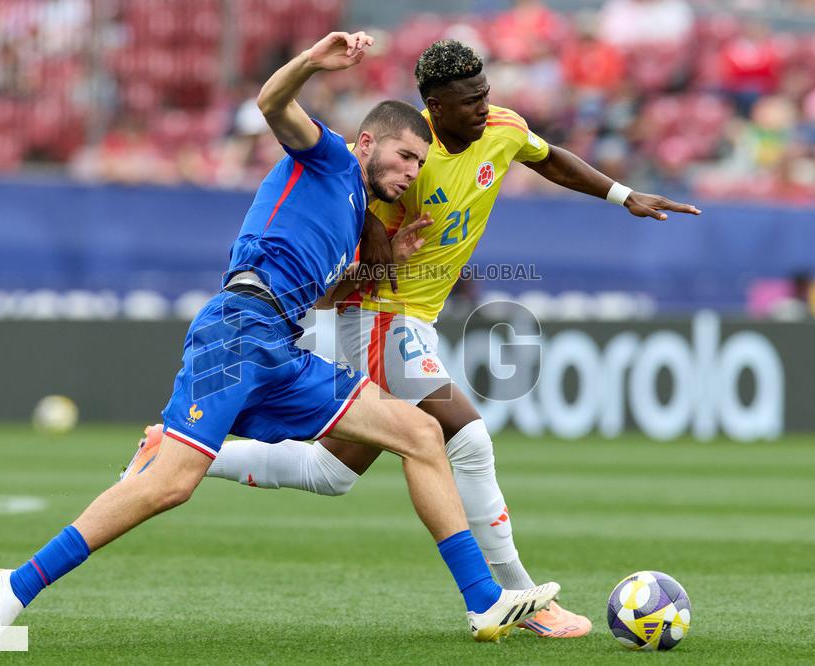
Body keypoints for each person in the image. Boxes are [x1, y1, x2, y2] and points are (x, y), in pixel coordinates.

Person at [0, 32, 558, 644]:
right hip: (236, 332)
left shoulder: (356, 215)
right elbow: (271, 104)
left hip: (281, 347)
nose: (413, 172)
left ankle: (484, 601)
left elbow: (325, 297)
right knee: (169, 487)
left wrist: (389, 262)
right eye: (405, 157)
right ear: (367, 142)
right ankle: (14, 585)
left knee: (419, 432)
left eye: (419, 163)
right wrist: (311, 63)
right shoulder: (326, 157)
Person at [186, 39, 701, 639]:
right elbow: (358, 255)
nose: (485, 106)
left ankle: (184, 451)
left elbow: (549, 156)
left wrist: (622, 195)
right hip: (376, 318)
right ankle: (518, 595)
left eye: (485, 93)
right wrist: (383, 246)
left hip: (412, 319)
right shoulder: (407, 159)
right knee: (468, 435)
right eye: (470, 100)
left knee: (332, 473)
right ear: (434, 106)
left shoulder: (502, 128)